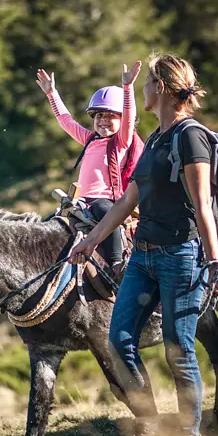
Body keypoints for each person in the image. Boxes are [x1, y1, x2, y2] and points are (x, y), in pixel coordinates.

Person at [68, 53, 218, 436]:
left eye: (146, 85)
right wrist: (90, 240)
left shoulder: (189, 136)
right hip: (142, 254)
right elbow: (129, 199)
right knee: (119, 339)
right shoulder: (157, 139)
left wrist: (215, 262)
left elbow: (203, 204)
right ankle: (151, 427)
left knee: (179, 350)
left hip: (182, 256)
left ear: (159, 87)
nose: (142, 92)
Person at [37, 64, 144, 279]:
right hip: (80, 202)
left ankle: (116, 265)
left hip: (106, 202)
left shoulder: (122, 141)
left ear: (122, 121)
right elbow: (66, 121)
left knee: (108, 216)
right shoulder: (89, 139)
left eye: (110, 116)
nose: (103, 120)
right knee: (48, 224)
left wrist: (127, 87)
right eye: (98, 116)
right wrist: (51, 94)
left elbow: (130, 116)